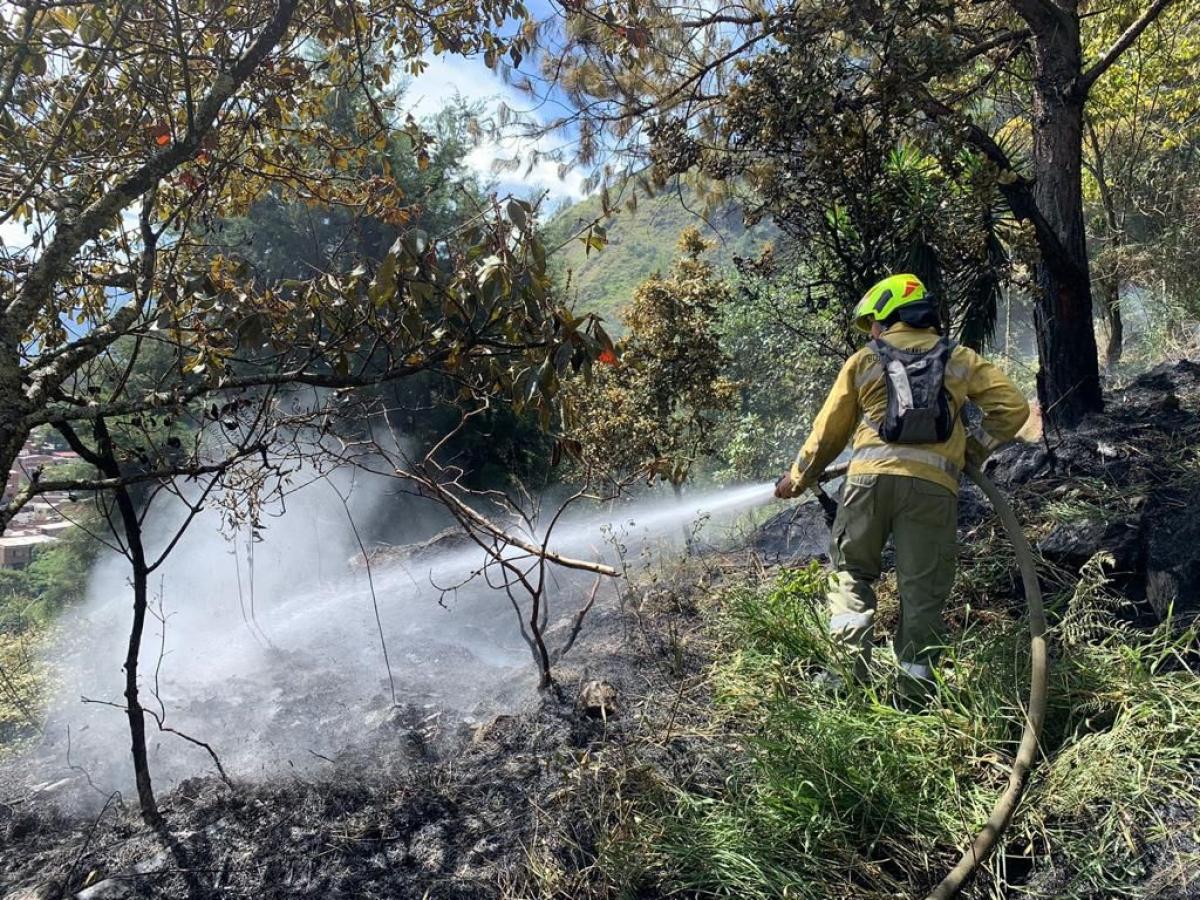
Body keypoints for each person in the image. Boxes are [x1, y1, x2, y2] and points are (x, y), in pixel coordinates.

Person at [774, 273, 1029, 702]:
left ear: (891, 315)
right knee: (922, 592)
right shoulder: (960, 358)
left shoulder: (864, 361)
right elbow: (1014, 408)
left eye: (875, 321)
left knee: (852, 573)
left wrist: (796, 478)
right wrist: (972, 452)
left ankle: (844, 675)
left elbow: (827, 435)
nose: (873, 331)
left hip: (867, 485)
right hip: (932, 490)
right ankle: (912, 694)